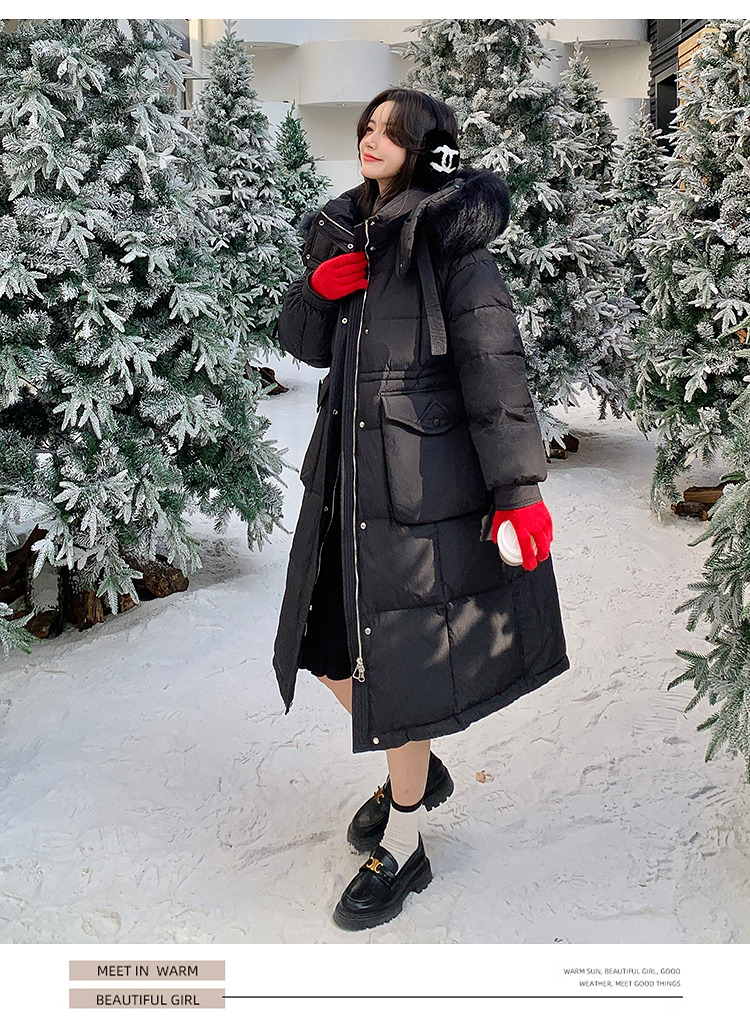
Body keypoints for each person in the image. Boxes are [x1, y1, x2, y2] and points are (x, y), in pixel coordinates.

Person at [272, 87, 569, 931]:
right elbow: (302, 344)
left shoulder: (450, 239)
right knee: (322, 647)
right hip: (345, 481)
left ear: (427, 147)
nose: (371, 139)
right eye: (367, 126)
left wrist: (518, 491)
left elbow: (494, 364)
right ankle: (418, 766)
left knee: (396, 667)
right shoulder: (346, 229)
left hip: (417, 491)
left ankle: (406, 841)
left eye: (392, 132)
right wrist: (317, 291)